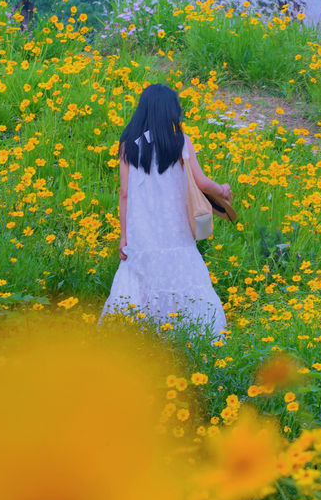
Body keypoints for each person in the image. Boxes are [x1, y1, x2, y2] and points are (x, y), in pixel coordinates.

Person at [98, 83, 233, 337]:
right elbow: (202, 182)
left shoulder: (128, 145)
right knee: (182, 277)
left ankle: (135, 337)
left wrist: (123, 236)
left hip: (142, 229)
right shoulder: (181, 142)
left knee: (138, 278)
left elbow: (124, 193)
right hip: (176, 228)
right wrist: (222, 189)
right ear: (171, 112)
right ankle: (189, 335)